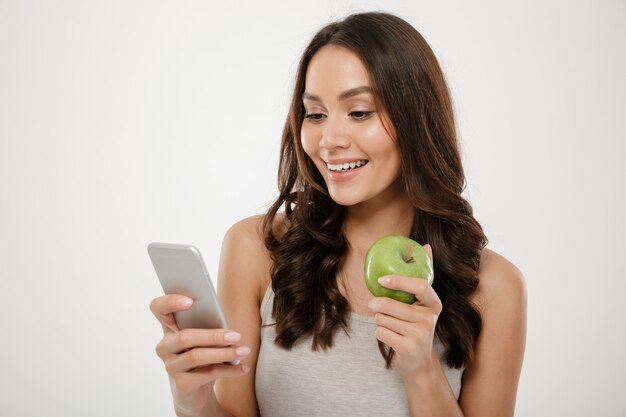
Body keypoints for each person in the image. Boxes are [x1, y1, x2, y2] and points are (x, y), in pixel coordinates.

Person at [150, 11, 526, 417]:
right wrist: (192, 399)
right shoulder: (258, 250)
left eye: (359, 112)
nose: (328, 141)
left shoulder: (493, 287)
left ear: (417, 119)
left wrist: (420, 368)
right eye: (315, 114)